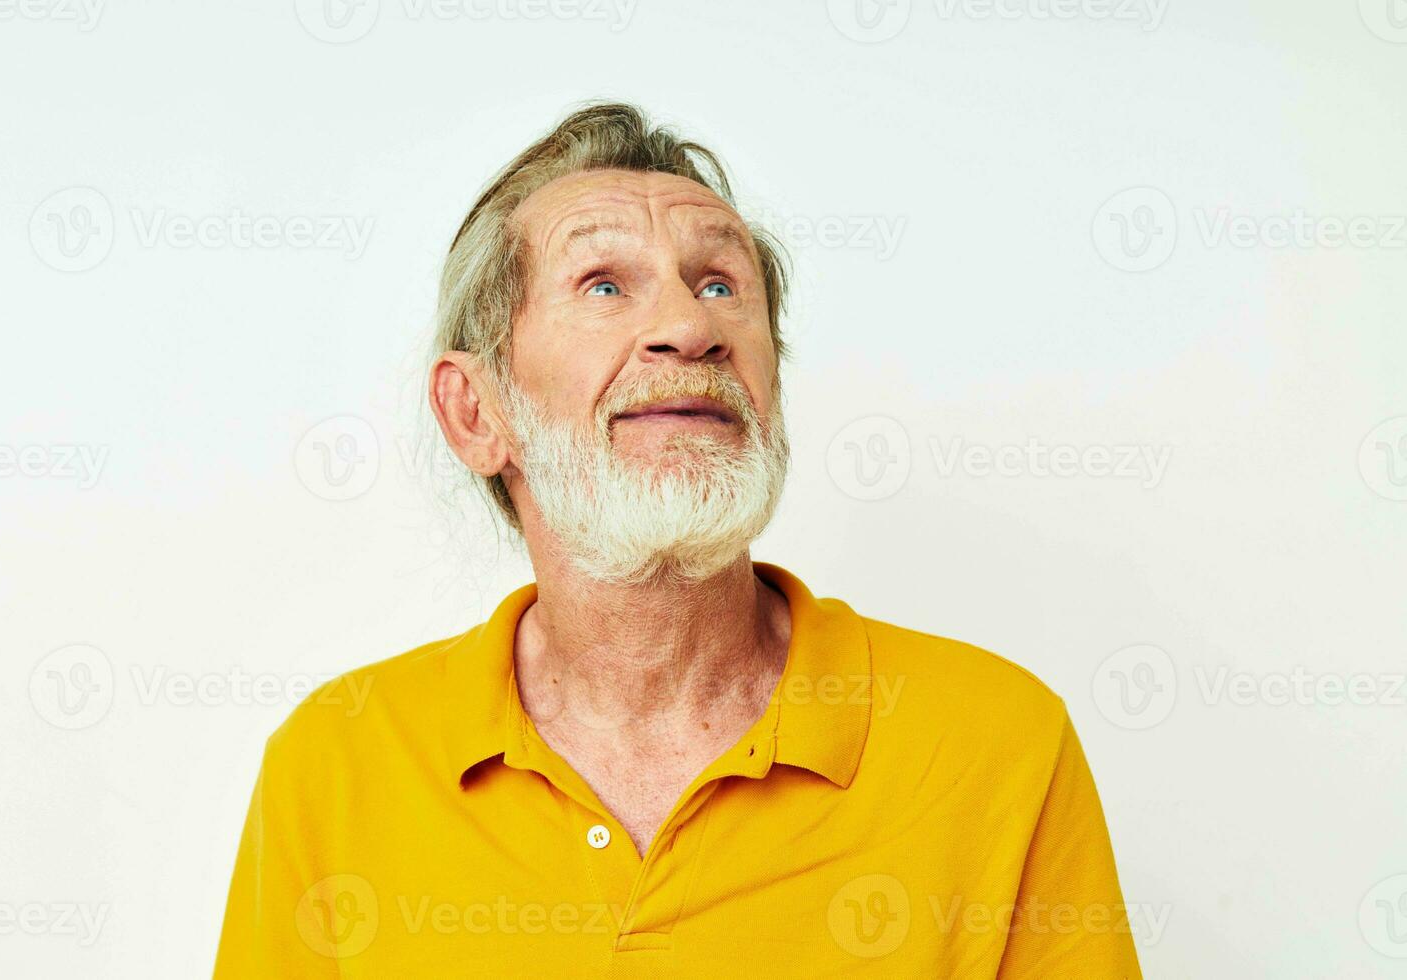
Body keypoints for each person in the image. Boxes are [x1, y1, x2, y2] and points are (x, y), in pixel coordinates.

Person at [213, 102, 1144, 977]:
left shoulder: (998, 743)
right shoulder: (337, 764)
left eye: (720, 284)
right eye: (605, 283)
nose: (690, 327)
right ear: (476, 411)